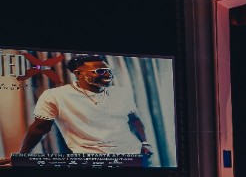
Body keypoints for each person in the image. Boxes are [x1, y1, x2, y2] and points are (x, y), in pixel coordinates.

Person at [0, 54, 153, 165]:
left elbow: (134, 120)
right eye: (100, 71)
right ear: (79, 74)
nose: (107, 74)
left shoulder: (121, 93)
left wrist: (145, 143)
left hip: (134, 158)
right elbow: (39, 128)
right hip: (92, 162)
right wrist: (22, 157)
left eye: (108, 70)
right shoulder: (55, 95)